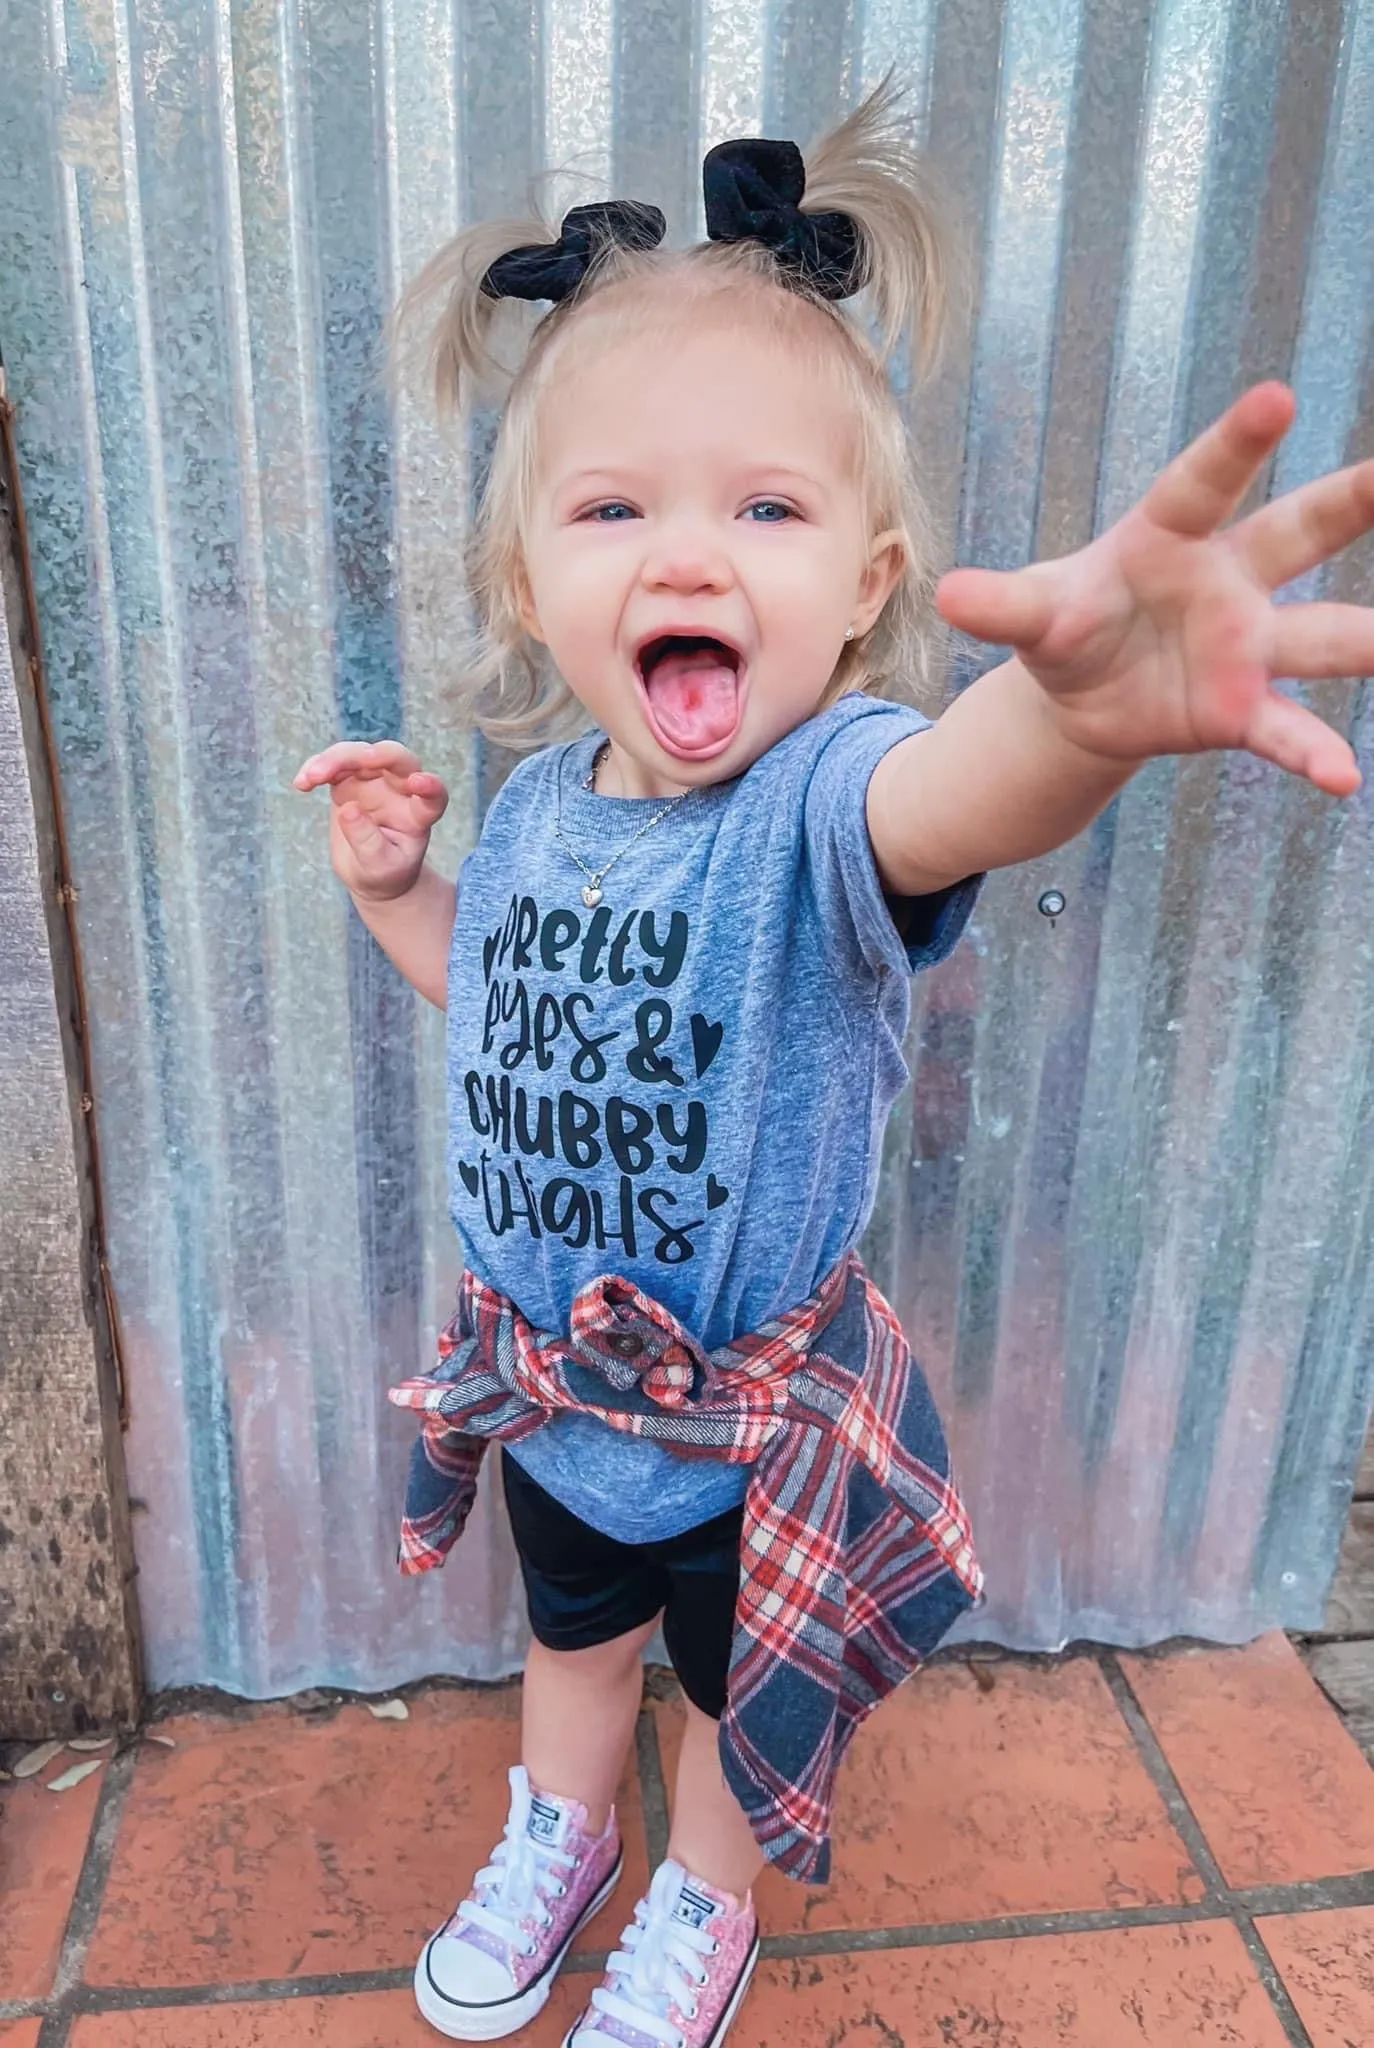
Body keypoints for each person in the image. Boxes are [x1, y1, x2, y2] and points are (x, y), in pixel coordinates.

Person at [294, 78, 1370, 2048]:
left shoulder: (830, 803)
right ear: (533, 578)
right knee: (570, 1640)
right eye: (614, 507)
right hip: (553, 1388)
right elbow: (512, 995)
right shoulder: (535, 811)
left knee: (728, 1680)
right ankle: (562, 1829)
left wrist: (1083, 715)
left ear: (867, 582)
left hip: (753, 1431)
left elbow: (969, 791)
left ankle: (699, 1892)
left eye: (765, 509)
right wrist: (400, 893)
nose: (686, 555)